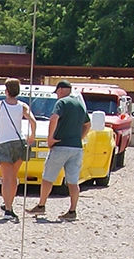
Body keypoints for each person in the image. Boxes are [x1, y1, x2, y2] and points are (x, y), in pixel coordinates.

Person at [26, 80, 90, 220]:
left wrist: (50, 138)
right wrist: (79, 137)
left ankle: (41, 205)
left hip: (60, 145)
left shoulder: (62, 103)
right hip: (76, 147)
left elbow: (54, 118)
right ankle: (72, 211)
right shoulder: (80, 104)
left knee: (48, 177)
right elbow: (87, 124)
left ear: (61, 90)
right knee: (73, 181)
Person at [0, 78, 35, 220]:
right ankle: (9, 204)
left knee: (6, 179)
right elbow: (32, 121)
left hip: (4, 142)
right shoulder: (22, 106)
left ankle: (8, 209)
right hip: (19, 142)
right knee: (13, 178)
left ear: (7, 90)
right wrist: (32, 136)